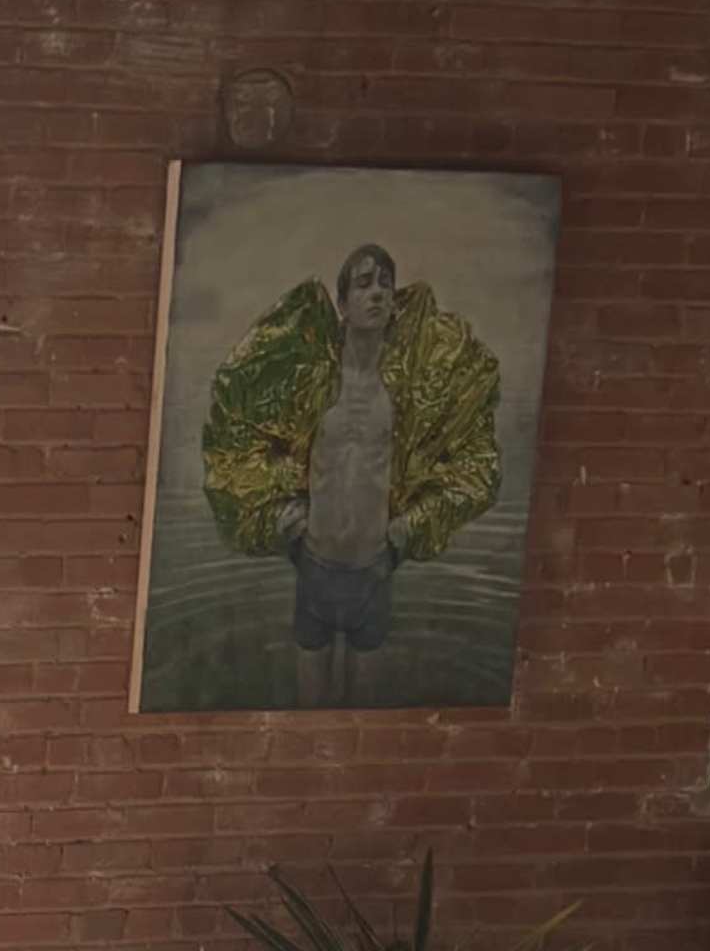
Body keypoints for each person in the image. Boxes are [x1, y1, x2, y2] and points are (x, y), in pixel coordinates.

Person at [198, 235, 502, 706]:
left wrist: (405, 534)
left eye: (385, 283)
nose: (377, 292)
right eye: (363, 284)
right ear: (342, 302)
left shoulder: (406, 393)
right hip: (314, 568)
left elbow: (467, 465)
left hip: (374, 572)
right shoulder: (314, 383)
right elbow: (245, 442)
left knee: (364, 720)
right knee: (309, 714)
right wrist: (286, 523)